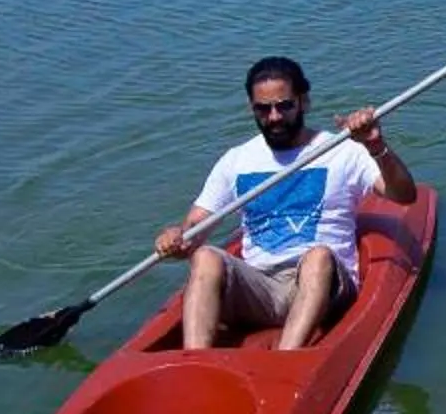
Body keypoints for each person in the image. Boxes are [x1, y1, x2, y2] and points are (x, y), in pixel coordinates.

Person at [155, 55, 416, 350]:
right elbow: (195, 226)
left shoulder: (342, 150)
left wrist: (375, 146)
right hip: (259, 284)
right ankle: (194, 364)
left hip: (321, 285)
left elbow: (404, 195)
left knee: (318, 257)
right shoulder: (236, 160)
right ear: (251, 108)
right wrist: (176, 237)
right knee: (204, 256)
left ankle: (285, 360)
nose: (275, 117)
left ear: (304, 102)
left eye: (284, 105)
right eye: (263, 109)